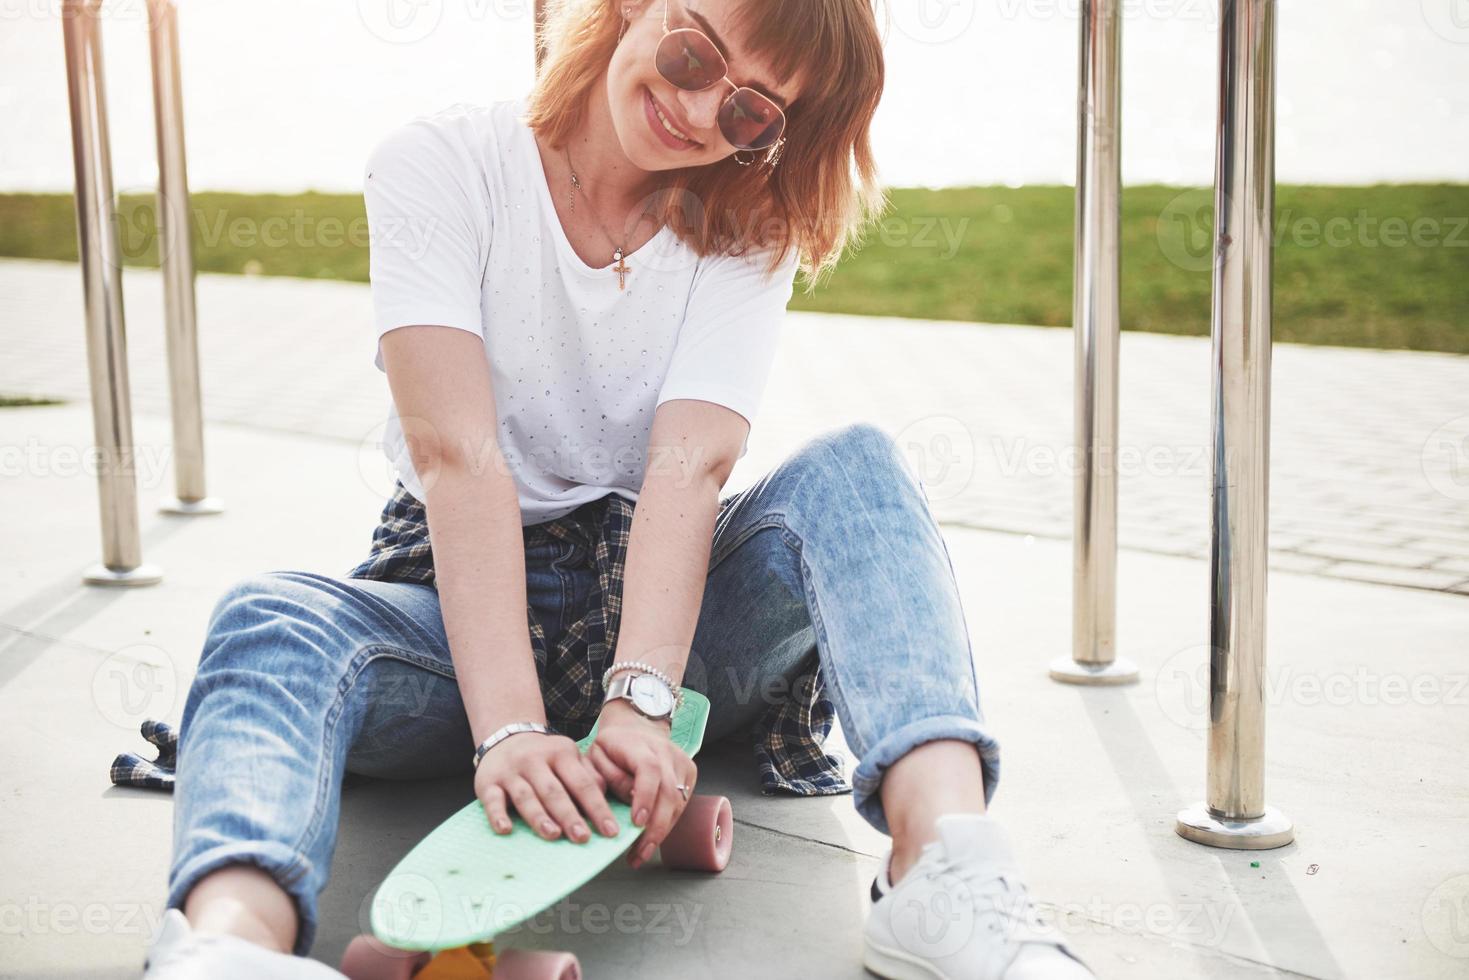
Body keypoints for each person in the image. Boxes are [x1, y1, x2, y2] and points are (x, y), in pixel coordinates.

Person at [142, 2, 1095, 978]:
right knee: (270, 614)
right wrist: (508, 726)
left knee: (856, 466)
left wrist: (639, 704)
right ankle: (226, 942)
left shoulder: (746, 229)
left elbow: (689, 470)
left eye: (750, 112)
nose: (697, 107)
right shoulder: (439, 164)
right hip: (456, 609)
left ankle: (941, 871)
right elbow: (457, 461)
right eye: (692, 53)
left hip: (662, 619)